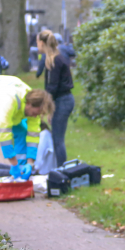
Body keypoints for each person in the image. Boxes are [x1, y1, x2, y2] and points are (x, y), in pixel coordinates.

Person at [36, 29, 74, 166]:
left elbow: (52, 88)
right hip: (61, 100)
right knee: (56, 138)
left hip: (63, 101)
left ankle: (61, 172)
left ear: (42, 43)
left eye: (37, 42)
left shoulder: (55, 60)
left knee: (58, 140)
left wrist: (46, 108)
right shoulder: (52, 58)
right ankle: (59, 170)